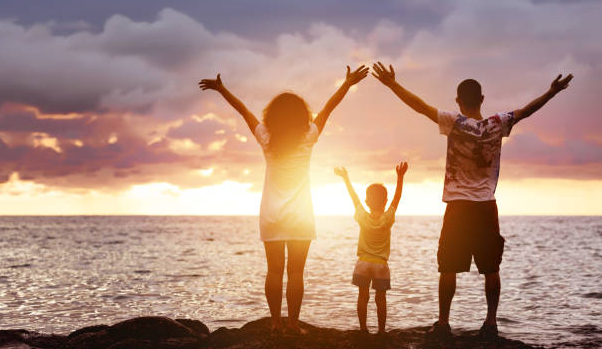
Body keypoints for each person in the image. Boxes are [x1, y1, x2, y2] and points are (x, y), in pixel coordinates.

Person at [371, 61, 573, 340]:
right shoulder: (497, 123)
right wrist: (552, 92)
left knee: (448, 266)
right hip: (485, 206)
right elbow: (526, 111)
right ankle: (490, 323)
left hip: (458, 206)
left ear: (458, 100)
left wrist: (393, 85)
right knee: (491, 268)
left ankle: (443, 323)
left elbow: (419, 106)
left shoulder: (453, 122)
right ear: (482, 99)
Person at [198, 65, 369, 334]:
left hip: (272, 213)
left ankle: (276, 323)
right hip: (301, 215)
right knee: (296, 273)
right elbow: (329, 108)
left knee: (274, 271)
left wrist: (222, 90)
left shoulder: (266, 138)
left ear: (273, 116)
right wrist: (347, 84)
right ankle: (292, 324)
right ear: (302, 116)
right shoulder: (308, 137)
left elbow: (243, 111)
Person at [334, 162, 408, 334]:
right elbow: (397, 198)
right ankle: (381, 331)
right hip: (381, 265)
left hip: (363, 264)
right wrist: (400, 177)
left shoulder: (362, 216)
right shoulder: (388, 217)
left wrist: (346, 178)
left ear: (367, 201)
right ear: (385, 201)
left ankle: (363, 329)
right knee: (380, 299)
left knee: (362, 297)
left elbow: (354, 197)